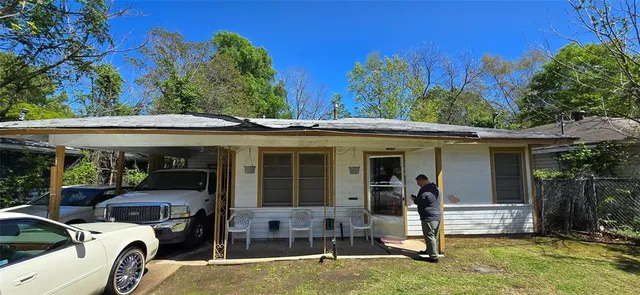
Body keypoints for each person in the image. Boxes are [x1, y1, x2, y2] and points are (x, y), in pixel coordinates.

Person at [411, 174, 441, 262]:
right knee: (433, 236)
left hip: (429, 217)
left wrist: (415, 200)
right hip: (435, 216)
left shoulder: (428, 189)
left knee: (430, 236)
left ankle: (433, 257)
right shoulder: (434, 188)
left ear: (422, 180)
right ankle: (429, 251)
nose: (418, 184)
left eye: (418, 182)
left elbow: (428, 200)